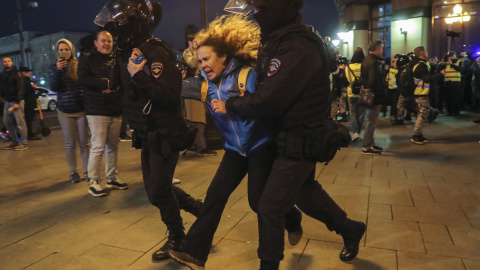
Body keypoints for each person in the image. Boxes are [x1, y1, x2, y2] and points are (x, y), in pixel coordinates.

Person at [212, 1, 366, 269]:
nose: (257, 13)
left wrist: (232, 105)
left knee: (269, 206)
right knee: (305, 193)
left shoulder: (297, 46)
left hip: (301, 139)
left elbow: (268, 99)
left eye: (261, 7)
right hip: (287, 138)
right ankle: (349, 228)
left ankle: (268, 266)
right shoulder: (279, 41)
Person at [168, 14, 303, 270]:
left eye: (206, 59)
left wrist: (230, 107)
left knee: (257, 201)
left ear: (223, 56)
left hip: (260, 145)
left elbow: (263, 107)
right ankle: (194, 254)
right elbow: (171, 87)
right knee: (215, 196)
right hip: (233, 150)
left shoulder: (246, 75)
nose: (203, 65)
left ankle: (293, 218)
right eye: (199, 61)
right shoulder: (203, 85)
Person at [94, 0, 202, 261]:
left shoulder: (155, 51)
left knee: (158, 190)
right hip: (146, 132)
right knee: (157, 189)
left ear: (138, 20)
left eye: (124, 21)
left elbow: (169, 93)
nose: (119, 26)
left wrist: (138, 74)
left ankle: (179, 238)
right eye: (116, 22)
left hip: (165, 132)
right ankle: (202, 210)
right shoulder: (128, 51)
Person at [78, 30, 127, 196]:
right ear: (96, 43)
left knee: (113, 146)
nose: (106, 44)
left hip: (115, 108)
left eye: (109, 41)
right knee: (98, 146)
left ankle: (112, 178)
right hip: (97, 109)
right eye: (103, 41)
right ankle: (94, 181)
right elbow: (83, 79)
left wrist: (116, 86)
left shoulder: (116, 59)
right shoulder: (86, 59)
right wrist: (105, 83)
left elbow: (123, 81)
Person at [50, 39, 90, 183]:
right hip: (65, 110)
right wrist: (58, 71)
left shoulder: (79, 65)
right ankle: (74, 172)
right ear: (57, 52)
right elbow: (54, 87)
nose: (64, 52)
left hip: (81, 110)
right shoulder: (54, 67)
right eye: (61, 50)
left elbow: (85, 84)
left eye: (67, 49)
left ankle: (88, 171)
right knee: (70, 143)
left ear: (71, 50)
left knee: (85, 143)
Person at [410, 46, 445, 145]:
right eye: (425, 50)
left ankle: (419, 135)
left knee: (422, 113)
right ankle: (416, 135)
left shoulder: (420, 64)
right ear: (421, 53)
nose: (427, 52)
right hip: (421, 93)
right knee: (423, 114)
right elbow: (427, 78)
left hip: (421, 92)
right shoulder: (421, 65)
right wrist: (440, 74)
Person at [359, 40, 386, 155]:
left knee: (371, 121)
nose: (382, 50)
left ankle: (370, 143)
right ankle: (366, 146)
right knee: (371, 122)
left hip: (368, 94)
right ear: (378, 48)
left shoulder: (365, 60)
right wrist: (380, 90)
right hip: (374, 96)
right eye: (381, 48)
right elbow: (373, 81)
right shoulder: (374, 62)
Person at [1, 57, 28, 150]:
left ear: (12, 62)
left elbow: (21, 88)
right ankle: (14, 141)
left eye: (8, 61)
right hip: (7, 101)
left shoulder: (17, 73)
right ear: (2, 64)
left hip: (16, 101)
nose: (6, 63)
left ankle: (24, 143)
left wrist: (17, 102)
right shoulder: (3, 74)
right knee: (7, 121)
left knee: (20, 123)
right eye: (4, 62)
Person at [345, 47, 366, 142]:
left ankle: (354, 133)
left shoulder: (348, 67)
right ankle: (359, 131)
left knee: (353, 113)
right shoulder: (364, 65)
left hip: (351, 92)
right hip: (362, 92)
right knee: (361, 114)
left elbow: (347, 79)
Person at [20, 67, 41, 141]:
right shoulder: (24, 81)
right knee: (28, 120)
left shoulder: (26, 81)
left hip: (29, 104)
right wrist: (33, 88)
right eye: (27, 72)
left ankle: (29, 134)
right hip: (27, 104)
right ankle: (29, 135)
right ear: (23, 73)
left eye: (29, 71)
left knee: (29, 120)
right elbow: (26, 92)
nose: (29, 73)